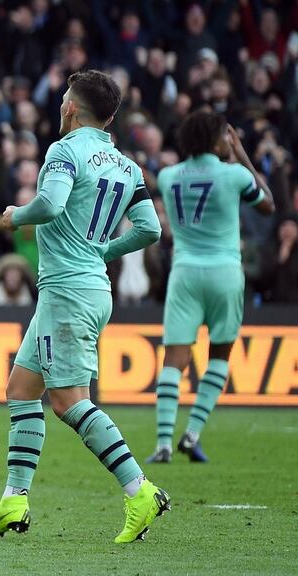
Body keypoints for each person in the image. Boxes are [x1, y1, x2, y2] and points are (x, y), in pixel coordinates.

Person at [0, 70, 170, 544]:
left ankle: (141, 491)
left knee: (69, 401)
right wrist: (102, 252)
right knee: (21, 388)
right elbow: (150, 230)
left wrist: (18, 215)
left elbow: (51, 206)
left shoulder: (64, 150)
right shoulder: (127, 167)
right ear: (112, 116)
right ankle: (14, 500)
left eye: (63, 100)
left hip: (68, 293)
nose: (60, 106)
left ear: (72, 108)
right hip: (84, 288)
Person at [146, 112, 274, 464]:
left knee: (174, 358)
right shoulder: (233, 175)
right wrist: (242, 154)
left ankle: (163, 443)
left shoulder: (169, 175)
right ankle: (192, 433)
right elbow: (268, 205)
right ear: (217, 140)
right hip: (224, 271)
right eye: (224, 136)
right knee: (220, 354)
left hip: (185, 271)